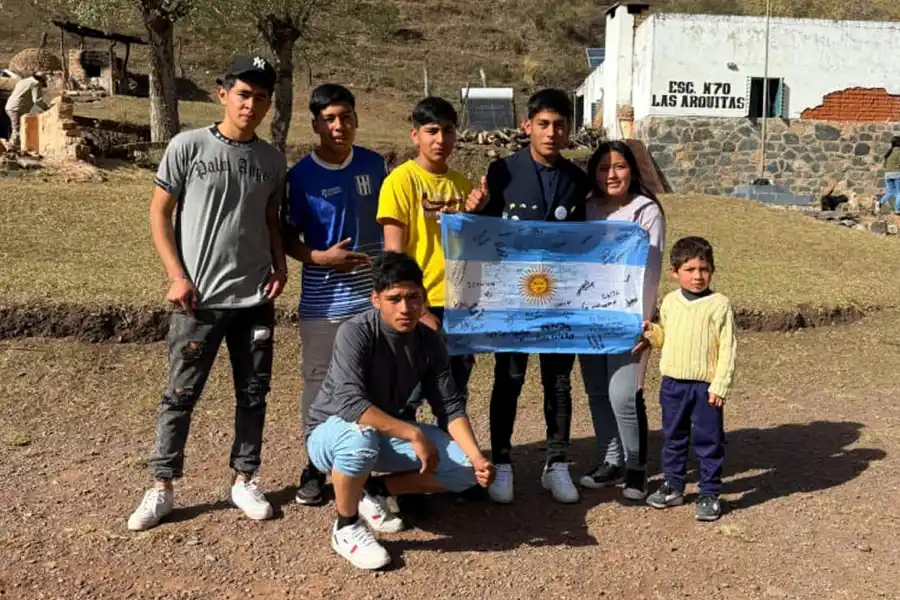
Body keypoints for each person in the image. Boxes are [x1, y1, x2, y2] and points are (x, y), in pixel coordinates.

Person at [127, 56, 287, 532]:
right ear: (223, 94)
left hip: (254, 298)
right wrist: (176, 275)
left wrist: (279, 264)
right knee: (180, 395)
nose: (251, 105)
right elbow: (159, 214)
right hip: (198, 300)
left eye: (260, 98)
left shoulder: (272, 159)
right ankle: (161, 486)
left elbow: (270, 219)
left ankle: (244, 477)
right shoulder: (188, 146)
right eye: (243, 94)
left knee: (254, 393)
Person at [305, 251, 495, 570]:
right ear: (376, 299)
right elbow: (352, 404)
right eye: (394, 298)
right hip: (332, 432)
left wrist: (477, 458)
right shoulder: (356, 332)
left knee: (463, 470)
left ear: (423, 297)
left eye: (413, 297)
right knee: (359, 438)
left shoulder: (429, 341)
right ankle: (346, 526)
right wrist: (413, 433)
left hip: (382, 435)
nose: (406, 308)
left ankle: (373, 489)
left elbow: (449, 405)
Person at [478, 88, 591, 505]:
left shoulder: (578, 181)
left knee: (559, 383)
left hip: (561, 301)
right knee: (508, 381)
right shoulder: (502, 171)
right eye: (542, 124)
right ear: (527, 126)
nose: (551, 132)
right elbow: (481, 231)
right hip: (512, 300)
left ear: (568, 130)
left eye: (559, 125)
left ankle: (556, 463)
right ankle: (503, 463)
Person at [281, 83, 388, 506]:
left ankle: (370, 469)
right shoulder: (300, 177)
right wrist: (320, 257)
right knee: (318, 383)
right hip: (323, 302)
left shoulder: (375, 165)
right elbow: (288, 240)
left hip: (371, 300)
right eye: (329, 119)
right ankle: (315, 465)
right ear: (316, 125)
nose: (339, 126)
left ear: (356, 120)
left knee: (371, 381)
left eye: (345, 117)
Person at [377, 96, 487, 422]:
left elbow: (472, 246)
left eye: (449, 130)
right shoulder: (400, 181)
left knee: (454, 395)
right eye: (432, 131)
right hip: (418, 304)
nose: (441, 140)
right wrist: (418, 309)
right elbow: (394, 256)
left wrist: (477, 212)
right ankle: (401, 467)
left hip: (460, 304)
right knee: (407, 395)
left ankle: (451, 464)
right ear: (415, 135)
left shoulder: (461, 184)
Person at [576, 141, 666, 500]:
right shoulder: (586, 209)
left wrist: (644, 323)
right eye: (603, 168)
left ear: (633, 170)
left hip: (629, 317)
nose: (611, 175)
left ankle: (636, 468)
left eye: (619, 167)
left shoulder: (646, 211)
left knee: (623, 394)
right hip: (589, 315)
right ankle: (610, 460)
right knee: (597, 391)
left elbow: (651, 270)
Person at [642, 236, 737, 522]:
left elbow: (728, 349)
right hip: (673, 384)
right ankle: (673, 485)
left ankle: (709, 493)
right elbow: (665, 338)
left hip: (706, 387)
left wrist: (719, 386)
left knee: (709, 440)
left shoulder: (719, 304)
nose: (698, 276)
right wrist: (652, 332)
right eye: (690, 269)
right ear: (674, 272)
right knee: (673, 437)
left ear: (712, 270)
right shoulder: (670, 302)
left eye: (704, 269)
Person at [4, 71, 48, 149]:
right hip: (16, 108)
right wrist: (47, 109)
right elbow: (37, 100)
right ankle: (11, 149)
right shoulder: (36, 83)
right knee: (17, 130)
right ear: (41, 80)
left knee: (17, 128)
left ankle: (14, 147)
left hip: (10, 106)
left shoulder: (23, 81)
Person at [880, 137, 900, 213]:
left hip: (887, 175)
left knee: (891, 191)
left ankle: (880, 203)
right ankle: (897, 209)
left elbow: (884, 165)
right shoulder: (899, 151)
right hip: (897, 174)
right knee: (899, 192)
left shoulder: (889, 152)